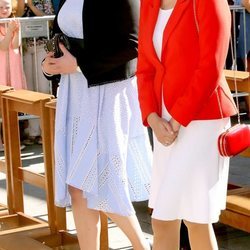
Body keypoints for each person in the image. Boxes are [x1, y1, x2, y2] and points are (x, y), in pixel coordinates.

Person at [42, 0, 152, 249]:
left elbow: (133, 45)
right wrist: (50, 64)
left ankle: (141, 246)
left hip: (107, 92)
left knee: (104, 183)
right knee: (78, 187)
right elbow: (61, 36)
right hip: (74, 92)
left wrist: (80, 64)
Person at [136, 0, 237, 249]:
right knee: (175, 220)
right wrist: (151, 116)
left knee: (183, 218)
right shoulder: (149, 3)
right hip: (163, 123)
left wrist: (177, 119)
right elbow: (145, 66)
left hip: (201, 120)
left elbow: (211, 66)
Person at [16, 0, 55, 145]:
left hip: (42, 47)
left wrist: (32, 6)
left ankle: (45, 130)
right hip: (25, 47)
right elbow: (16, 17)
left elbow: (50, 21)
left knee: (43, 89)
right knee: (30, 90)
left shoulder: (45, 1)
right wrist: (23, 4)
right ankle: (33, 132)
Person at [0, 0, 26, 151]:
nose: (4, 10)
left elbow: (15, 44)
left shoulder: (15, 21)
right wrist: (10, 31)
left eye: (7, 7)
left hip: (13, 67)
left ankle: (12, 141)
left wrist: (16, 31)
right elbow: (3, 46)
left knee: (13, 104)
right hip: (2, 68)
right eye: (0, 7)